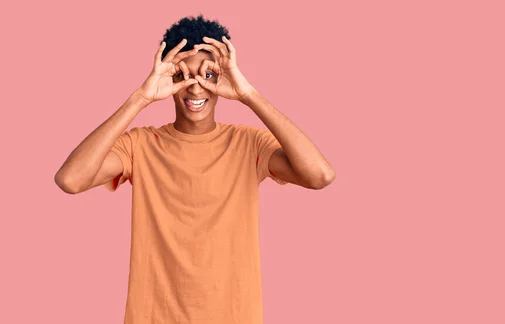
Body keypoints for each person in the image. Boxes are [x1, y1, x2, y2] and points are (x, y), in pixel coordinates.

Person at [54, 15, 335, 324]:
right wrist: (140, 98)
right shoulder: (141, 145)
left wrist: (248, 95)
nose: (196, 88)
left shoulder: (248, 143)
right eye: (183, 76)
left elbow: (319, 175)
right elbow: (70, 179)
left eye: (209, 75)